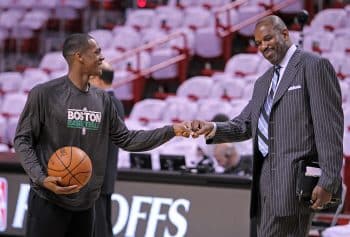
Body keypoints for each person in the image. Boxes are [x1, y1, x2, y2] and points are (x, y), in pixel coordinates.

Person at [14, 33, 191, 237]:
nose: (102, 58)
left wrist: (171, 130)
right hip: (49, 200)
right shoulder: (45, 94)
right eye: (97, 52)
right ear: (79, 56)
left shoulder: (103, 100)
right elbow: (22, 139)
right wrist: (41, 177)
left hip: (86, 204)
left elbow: (127, 139)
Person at [190, 15, 343, 236]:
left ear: (284, 34)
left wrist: (328, 179)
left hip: (296, 181)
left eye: (268, 38)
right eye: (259, 42)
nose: (263, 46)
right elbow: (245, 125)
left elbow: (329, 128)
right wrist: (213, 128)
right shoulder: (263, 81)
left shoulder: (314, 66)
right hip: (265, 181)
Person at [89, 61, 124, 237]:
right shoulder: (114, 103)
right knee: (102, 225)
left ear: (98, 79)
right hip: (103, 175)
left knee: (100, 227)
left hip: (97, 176)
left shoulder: (105, 103)